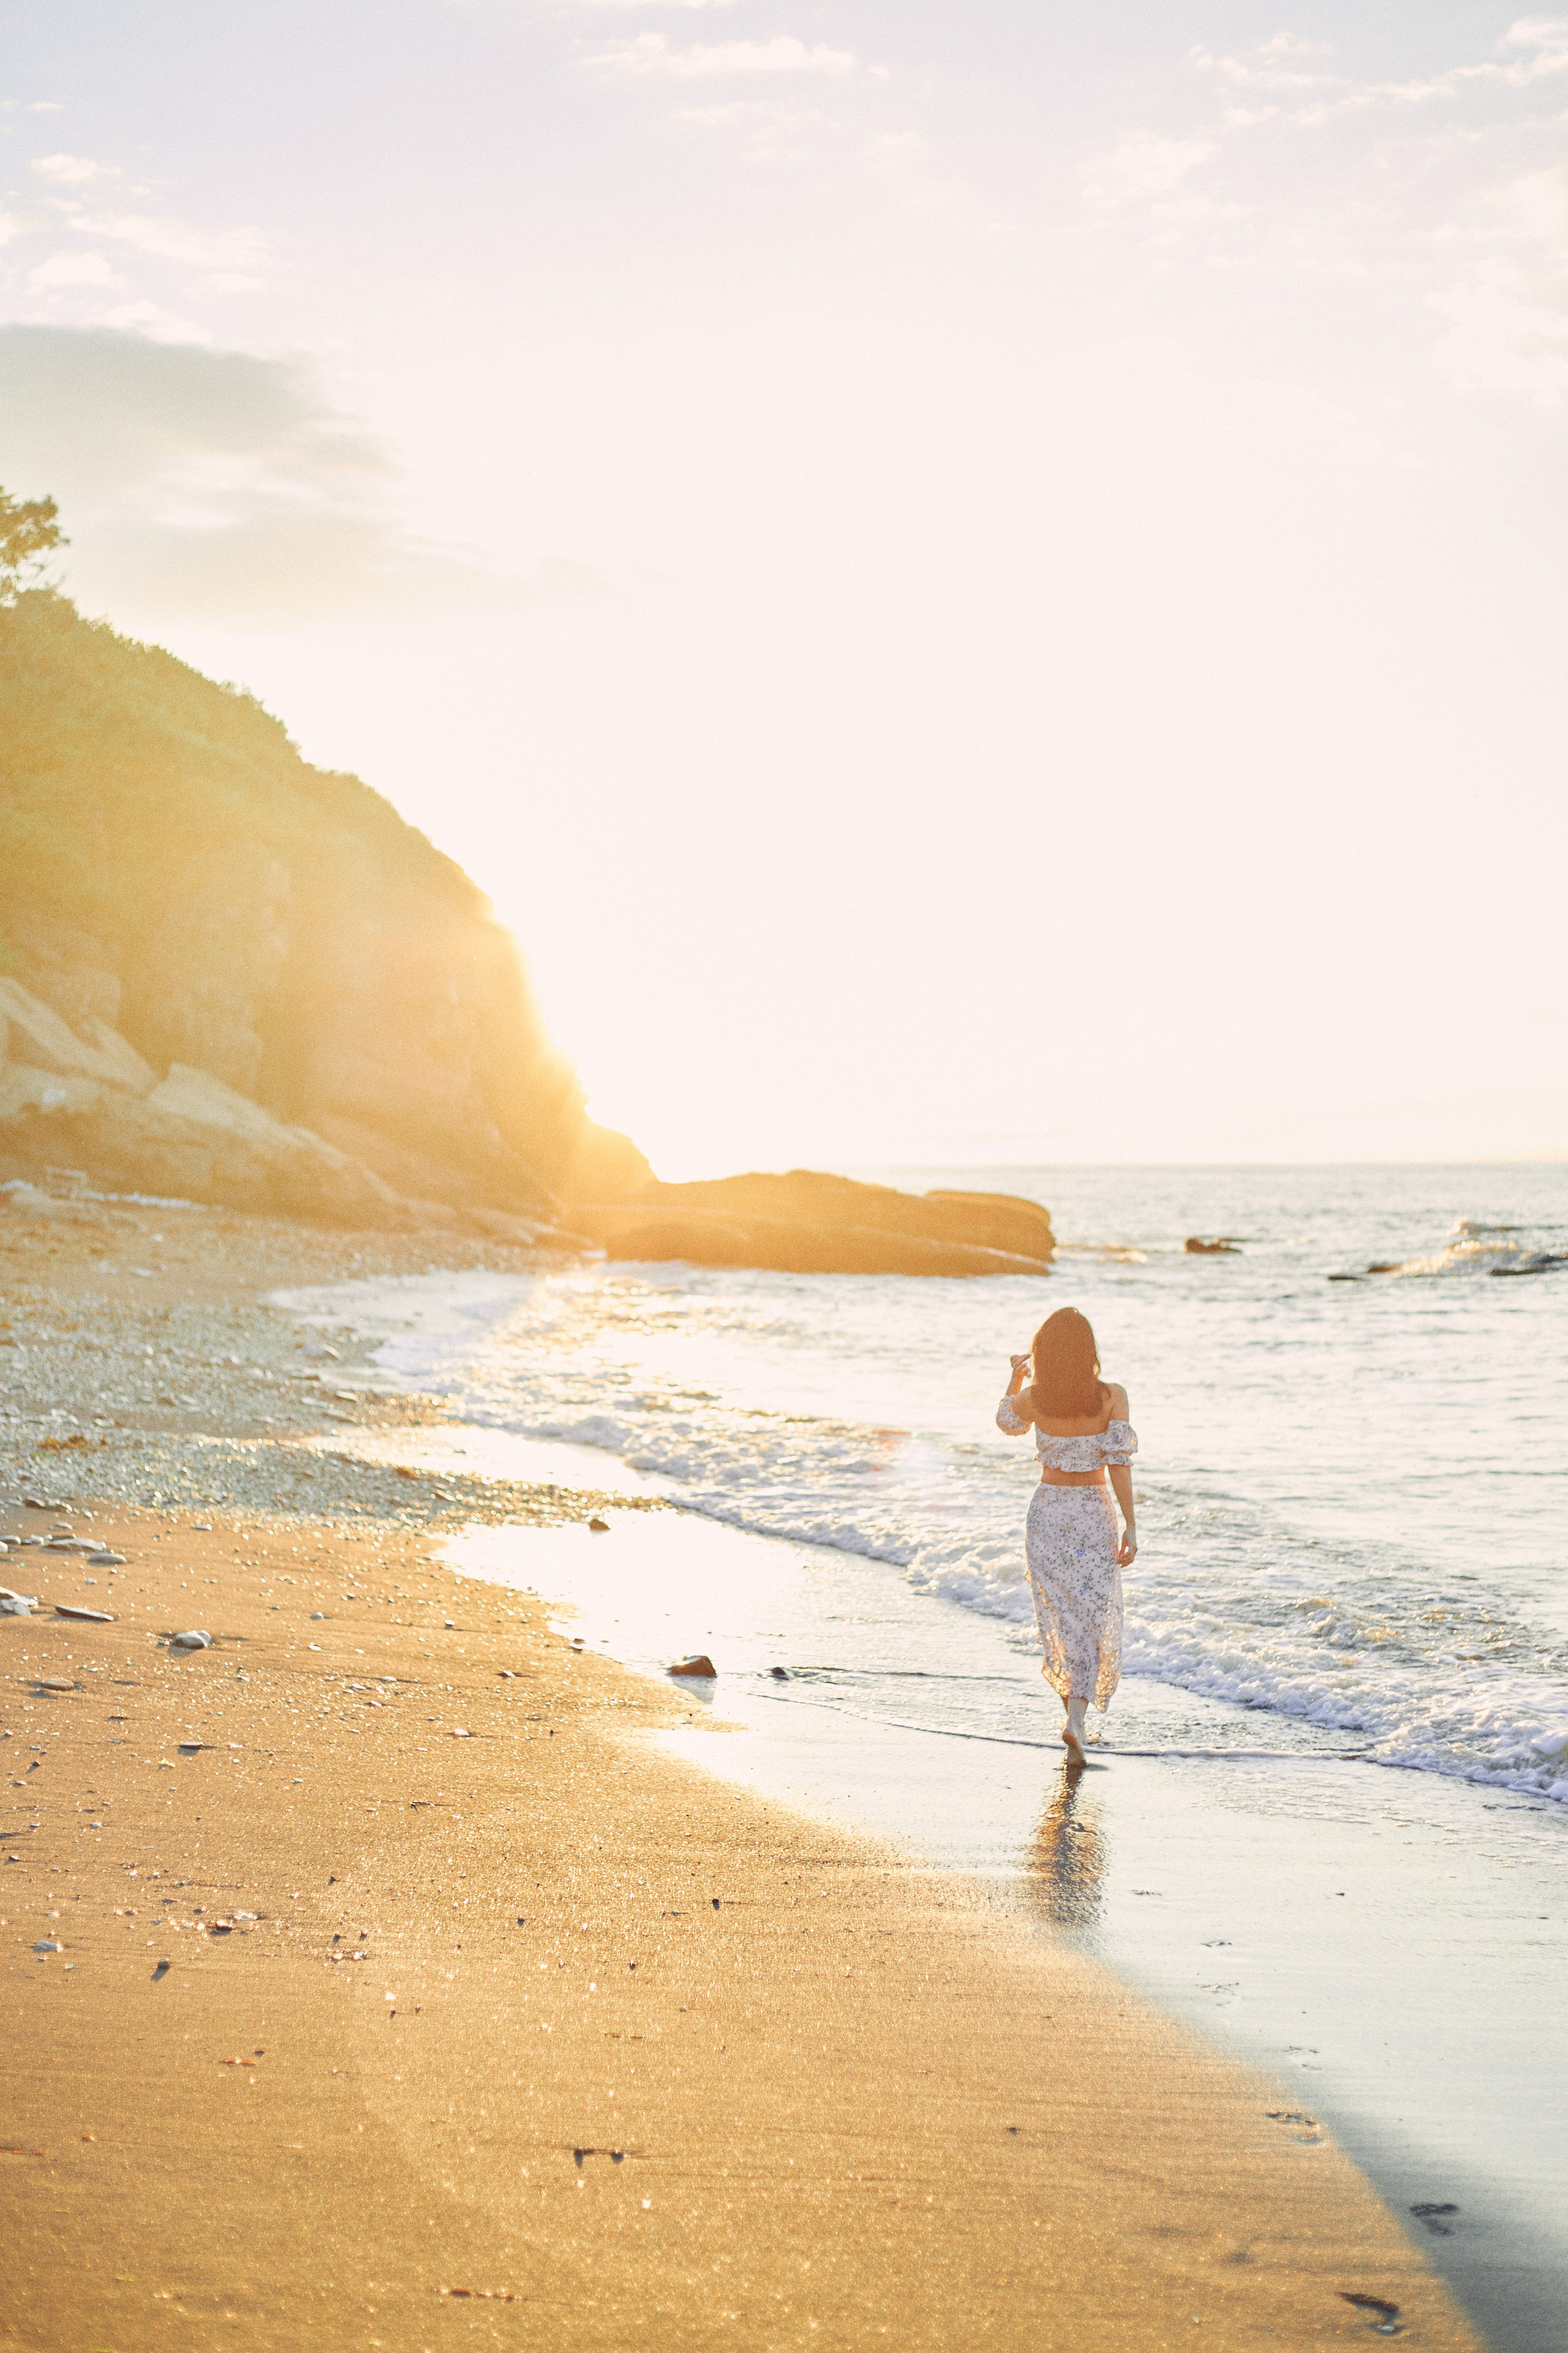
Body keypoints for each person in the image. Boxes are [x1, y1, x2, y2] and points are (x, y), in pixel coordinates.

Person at [995, 1307, 1137, 1764]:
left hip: (1049, 1511)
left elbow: (1006, 1421)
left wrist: (1016, 1378)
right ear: (1089, 1351)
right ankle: (1076, 1720)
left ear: (1044, 1353)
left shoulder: (1037, 1399)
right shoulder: (1112, 1396)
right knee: (1092, 1618)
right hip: (1094, 1512)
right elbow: (1119, 1462)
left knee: (1060, 1617)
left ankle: (1073, 1721)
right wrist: (1131, 1523)